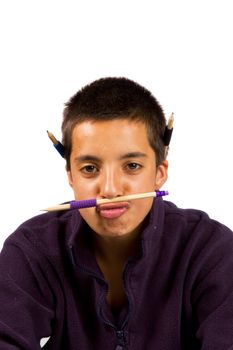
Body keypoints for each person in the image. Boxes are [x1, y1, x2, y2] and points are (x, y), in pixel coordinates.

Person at [0, 77, 233, 350]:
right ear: (71, 176)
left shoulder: (210, 249)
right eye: (89, 168)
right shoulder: (33, 249)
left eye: (132, 165)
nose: (109, 190)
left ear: (159, 174)